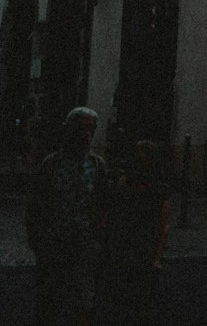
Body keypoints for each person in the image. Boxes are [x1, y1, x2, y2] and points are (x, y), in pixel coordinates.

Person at [25, 106, 109, 326]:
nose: (86, 136)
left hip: (84, 244)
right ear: (69, 130)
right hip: (54, 241)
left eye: (91, 130)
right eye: (81, 129)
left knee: (83, 300)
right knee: (49, 299)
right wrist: (37, 240)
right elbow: (36, 204)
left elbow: (103, 203)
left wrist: (98, 237)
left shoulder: (97, 165)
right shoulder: (52, 164)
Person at [101, 139, 170, 325]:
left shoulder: (156, 189)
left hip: (142, 247)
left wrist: (156, 257)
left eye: (141, 158)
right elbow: (111, 213)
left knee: (141, 300)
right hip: (123, 245)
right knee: (120, 298)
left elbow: (162, 224)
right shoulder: (124, 184)